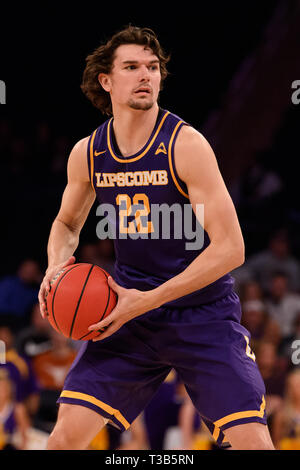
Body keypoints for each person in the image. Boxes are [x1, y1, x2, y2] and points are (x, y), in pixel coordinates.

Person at [38, 26, 274, 450]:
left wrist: (147, 300)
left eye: (153, 67)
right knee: (62, 440)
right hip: (128, 315)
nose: (146, 75)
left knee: (254, 443)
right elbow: (67, 224)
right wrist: (57, 265)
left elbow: (231, 248)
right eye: (132, 67)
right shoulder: (89, 153)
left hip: (202, 314)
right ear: (106, 81)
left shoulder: (185, 145)